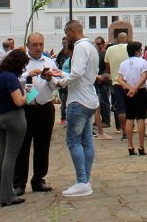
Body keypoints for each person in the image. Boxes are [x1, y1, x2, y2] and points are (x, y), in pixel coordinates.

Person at [47, 20, 100, 198]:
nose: (66, 37)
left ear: (72, 31)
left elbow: (76, 74)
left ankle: (82, 181)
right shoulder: (91, 47)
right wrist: (61, 73)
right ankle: (85, 180)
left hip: (78, 100)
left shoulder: (79, 47)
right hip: (89, 98)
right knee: (86, 140)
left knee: (73, 141)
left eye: (67, 33)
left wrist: (60, 82)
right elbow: (83, 74)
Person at [14, 33, 60, 196]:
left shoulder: (49, 61)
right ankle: (19, 182)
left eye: (41, 44)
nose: (38, 47)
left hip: (44, 107)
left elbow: (56, 86)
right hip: (26, 108)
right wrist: (28, 75)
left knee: (42, 145)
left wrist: (49, 78)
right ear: (28, 45)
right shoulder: (21, 61)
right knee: (23, 146)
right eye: (35, 44)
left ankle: (38, 178)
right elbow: (14, 80)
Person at [0, 48, 29, 207]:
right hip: (14, 118)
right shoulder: (11, 77)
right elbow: (19, 101)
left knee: (1, 155)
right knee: (11, 157)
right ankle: (7, 195)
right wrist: (26, 94)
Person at [118, 41, 147, 155]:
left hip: (127, 91)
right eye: (140, 50)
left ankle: (130, 145)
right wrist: (135, 88)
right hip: (140, 91)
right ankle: (141, 146)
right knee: (141, 118)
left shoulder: (123, 63)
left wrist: (130, 88)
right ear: (137, 51)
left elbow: (120, 79)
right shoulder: (143, 62)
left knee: (129, 118)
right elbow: (144, 77)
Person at [104, 32, 129, 138]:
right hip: (130, 83)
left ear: (117, 39)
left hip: (116, 82)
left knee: (121, 109)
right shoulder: (130, 48)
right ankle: (131, 128)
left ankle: (124, 132)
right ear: (126, 39)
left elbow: (107, 67)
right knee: (130, 108)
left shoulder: (110, 50)